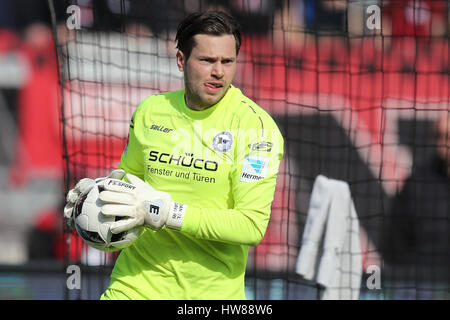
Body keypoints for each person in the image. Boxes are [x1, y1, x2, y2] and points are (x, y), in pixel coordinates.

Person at [64, 11, 284, 300]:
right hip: (134, 285)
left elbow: (251, 226)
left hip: (210, 296)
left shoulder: (256, 129)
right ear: (182, 60)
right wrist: (92, 202)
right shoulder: (150, 111)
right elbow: (129, 188)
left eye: (227, 61)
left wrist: (169, 213)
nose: (218, 72)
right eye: (207, 60)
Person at [385, 115, 449, 295]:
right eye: (443, 136)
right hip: (424, 286)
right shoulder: (417, 184)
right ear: (435, 140)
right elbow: (395, 242)